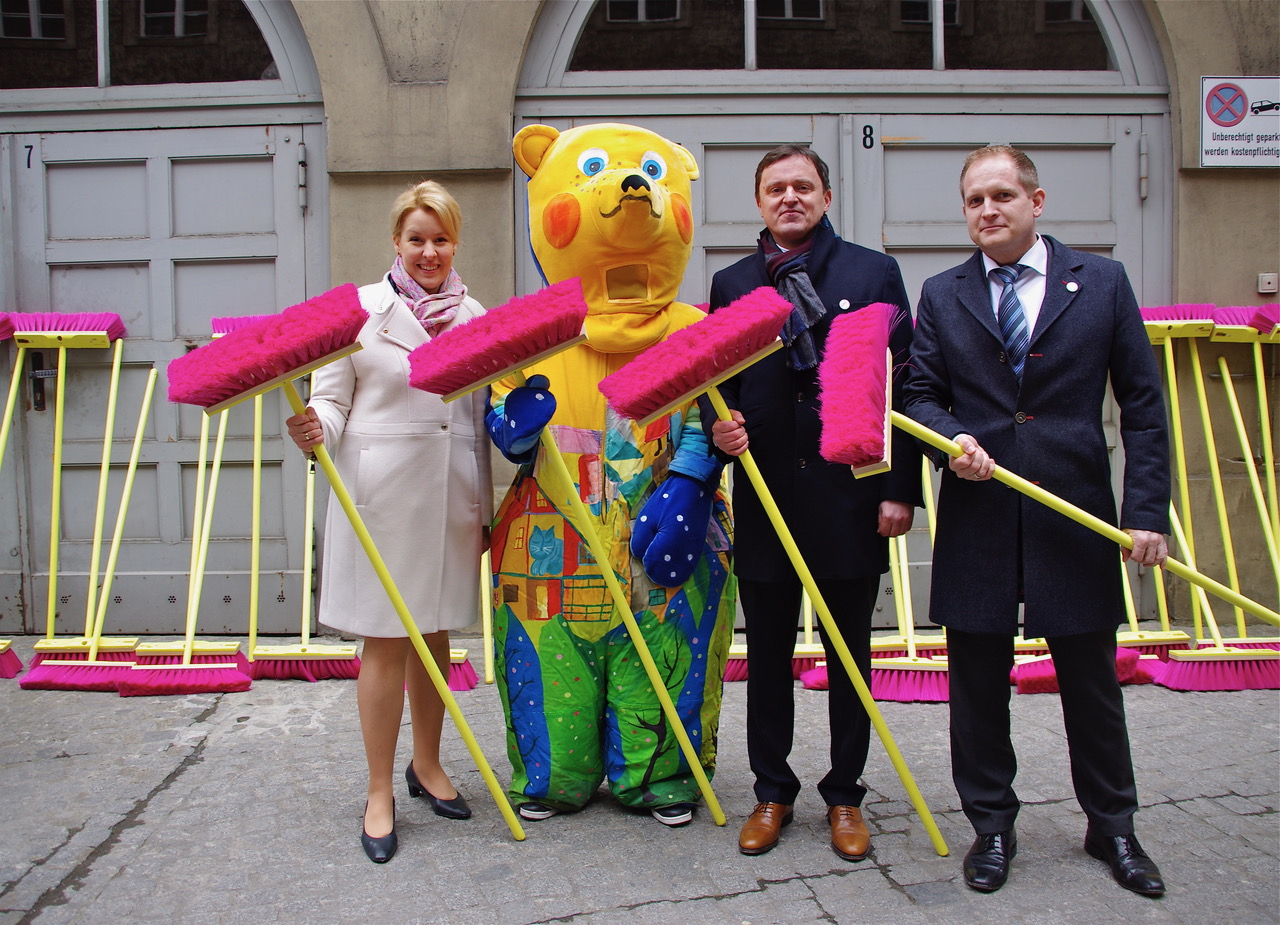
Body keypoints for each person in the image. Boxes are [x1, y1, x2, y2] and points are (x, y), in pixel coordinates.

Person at [903, 145, 1169, 896]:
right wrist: (948, 437)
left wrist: (1145, 510)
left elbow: (1144, 409)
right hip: (978, 515)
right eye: (973, 201)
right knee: (977, 685)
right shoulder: (943, 292)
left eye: (1001, 196)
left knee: (1091, 681)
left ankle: (1112, 825)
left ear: (1036, 200)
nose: (987, 211)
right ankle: (991, 824)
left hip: (1073, 513)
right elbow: (920, 391)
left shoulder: (1103, 282)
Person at [486, 122, 736, 828]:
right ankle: (553, 773)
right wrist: (514, 423)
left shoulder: (698, 328)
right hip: (549, 549)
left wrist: (691, 479)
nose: (633, 188)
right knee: (551, 667)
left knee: (665, 658)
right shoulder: (524, 333)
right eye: (593, 171)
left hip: (669, 537)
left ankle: (659, 775)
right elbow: (501, 425)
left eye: (657, 176)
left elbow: (709, 418)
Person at [706, 144, 920, 861]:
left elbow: (904, 388)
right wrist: (719, 426)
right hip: (765, 495)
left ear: (826, 196)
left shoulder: (871, 271)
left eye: (803, 185)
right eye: (776, 188)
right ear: (759, 202)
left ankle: (846, 793)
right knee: (765, 656)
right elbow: (721, 387)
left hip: (846, 498)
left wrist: (899, 491)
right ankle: (772, 790)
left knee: (848, 654)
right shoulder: (732, 282)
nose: (789, 197)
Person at [286, 180, 493, 864]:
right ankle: (379, 790)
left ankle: (427, 764)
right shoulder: (358, 314)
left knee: (435, 635)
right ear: (395, 242)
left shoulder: (476, 313)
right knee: (384, 642)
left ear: (454, 241)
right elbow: (334, 402)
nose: (429, 251)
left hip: (449, 499)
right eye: (416, 238)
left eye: (440, 238)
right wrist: (318, 428)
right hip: (381, 498)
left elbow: (474, 421)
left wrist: (484, 509)